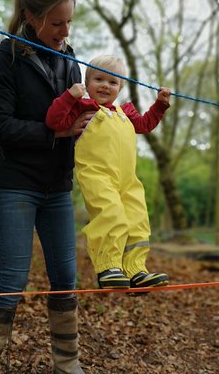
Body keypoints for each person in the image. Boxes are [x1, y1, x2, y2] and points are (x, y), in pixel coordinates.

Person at [0, 0, 94, 373]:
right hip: (15, 186)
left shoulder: (70, 58)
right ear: (30, 16)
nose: (64, 31)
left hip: (58, 187)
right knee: (12, 280)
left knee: (66, 279)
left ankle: (67, 362)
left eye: (69, 22)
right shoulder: (6, 59)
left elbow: (74, 120)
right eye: (57, 23)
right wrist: (53, 130)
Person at [46, 54, 171, 290]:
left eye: (113, 82)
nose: (105, 85)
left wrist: (160, 105)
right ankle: (108, 267)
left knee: (137, 220)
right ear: (87, 82)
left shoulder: (125, 112)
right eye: (98, 79)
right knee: (111, 216)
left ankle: (136, 270)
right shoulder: (83, 107)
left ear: (120, 87)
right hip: (98, 176)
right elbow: (55, 121)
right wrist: (69, 96)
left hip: (127, 180)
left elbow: (145, 125)